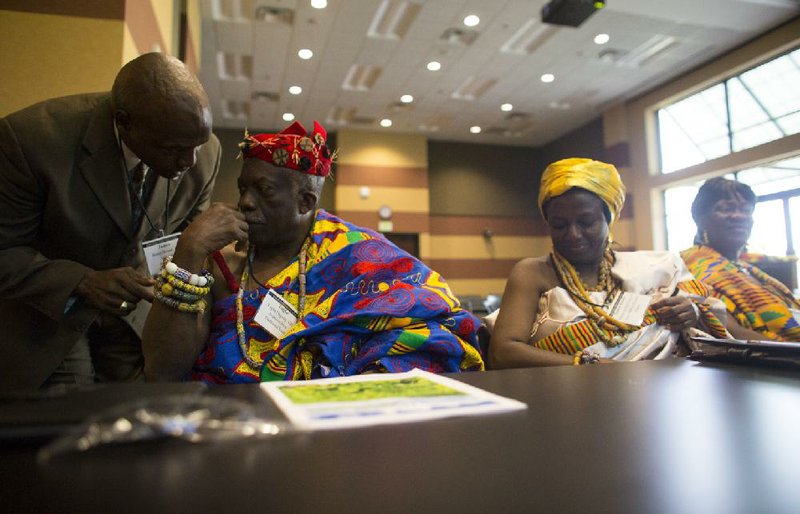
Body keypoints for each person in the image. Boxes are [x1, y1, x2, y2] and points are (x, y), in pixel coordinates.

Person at [142, 120, 483, 383]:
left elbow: (438, 327)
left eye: (264, 191)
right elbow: (163, 370)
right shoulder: (220, 262)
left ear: (306, 201)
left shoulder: (356, 252)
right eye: (243, 188)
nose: (245, 202)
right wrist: (189, 249)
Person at [0, 53, 221, 390]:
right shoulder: (30, 141)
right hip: (48, 321)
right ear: (124, 122)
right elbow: (5, 249)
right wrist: (82, 282)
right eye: (174, 148)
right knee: (71, 423)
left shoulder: (204, 152)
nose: (189, 161)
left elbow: (180, 240)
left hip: (134, 324)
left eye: (196, 146)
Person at [489, 158, 733, 369]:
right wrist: (587, 365)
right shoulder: (533, 272)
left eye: (586, 222)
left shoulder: (648, 269)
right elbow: (504, 352)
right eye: (559, 225)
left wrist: (692, 313)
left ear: (609, 220)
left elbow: (711, 326)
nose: (573, 234)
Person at [680, 177, 800, 341]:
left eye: (746, 209)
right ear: (701, 219)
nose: (739, 216)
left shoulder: (746, 268)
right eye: (727, 208)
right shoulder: (691, 266)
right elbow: (731, 333)